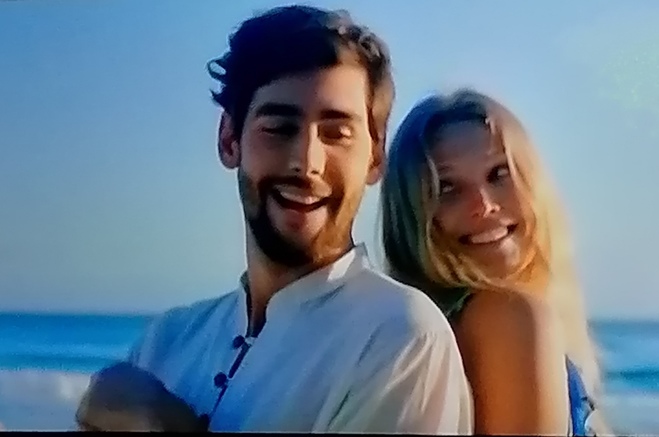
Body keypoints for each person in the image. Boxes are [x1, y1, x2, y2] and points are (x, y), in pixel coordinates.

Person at [92, 6, 473, 433]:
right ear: (229, 140)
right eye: (279, 128)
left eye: (337, 133)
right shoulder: (166, 342)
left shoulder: (399, 337)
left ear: (375, 156)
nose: (306, 163)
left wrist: (161, 420)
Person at [379, 88, 613, 436]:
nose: (484, 205)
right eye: (447, 188)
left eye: (499, 174)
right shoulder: (510, 316)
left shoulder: (416, 328)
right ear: (413, 216)